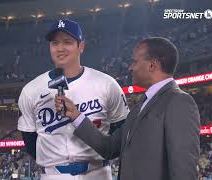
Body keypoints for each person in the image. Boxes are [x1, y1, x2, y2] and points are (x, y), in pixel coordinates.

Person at [55, 37, 200, 180]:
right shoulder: (138, 108)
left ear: (152, 65)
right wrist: (76, 115)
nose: (130, 67)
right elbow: (109, 148)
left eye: (135, 62)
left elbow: (184, 171)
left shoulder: (179, 102)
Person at [17, 19, 129, 180]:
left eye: (67, 42)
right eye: (55, 43)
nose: (60, 48)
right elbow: (30, 141)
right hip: (54, 175)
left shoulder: (107, 84)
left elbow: (120, 132)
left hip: (98, 173)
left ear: (81, 46)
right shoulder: (31, 89)